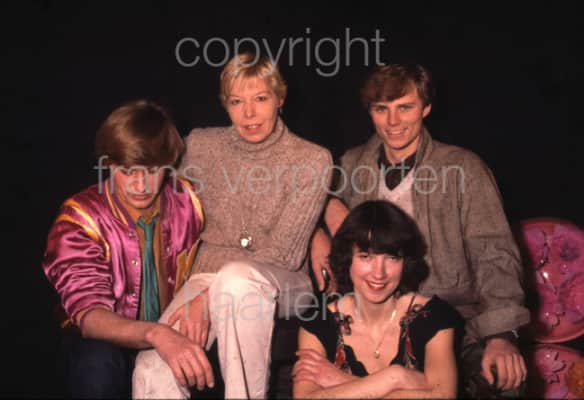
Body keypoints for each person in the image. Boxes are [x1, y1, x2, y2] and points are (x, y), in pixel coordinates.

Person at [313, 62, 530, 396]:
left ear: (426, 107)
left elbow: (494, 254)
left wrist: (501, 336)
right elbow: (301, 206)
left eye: (405, 107)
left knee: (504, 377)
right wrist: (320, 225)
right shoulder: (351, 165)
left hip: (453, 317)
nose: (393, 122)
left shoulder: (463, 168)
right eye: (381, 109)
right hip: (371, 322)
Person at [132, 52, 333, 399]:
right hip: (207, 276)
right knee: (153, 366)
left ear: (280, 98)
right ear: (225, 104)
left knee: (237, 281)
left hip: (283, 280)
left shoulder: (312, 159)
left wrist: (208, 300)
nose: (249, 114)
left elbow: (284, 254)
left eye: (261, 99)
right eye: (237, 102)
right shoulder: (200, 145)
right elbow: (160, 193)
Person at [42, 99, 207, 398]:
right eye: (127, 171)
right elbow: (90, 315)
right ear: (108, 164)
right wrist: (156, 334)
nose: (140, 185)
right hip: (104, 342)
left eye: (152, 170)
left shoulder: (189, 201)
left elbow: (242, 238)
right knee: (96, 363)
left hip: (173, 331)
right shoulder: (80, 217)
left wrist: (205, 299)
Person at [293, 200, 464, 398]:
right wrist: (397, 379)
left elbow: (443, 396)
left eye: (392, 258)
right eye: (366, 256)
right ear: (347, 258)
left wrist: (342, 381)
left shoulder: (434, 317)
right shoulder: (318, 323)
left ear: (405, 262)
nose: (379, 273)